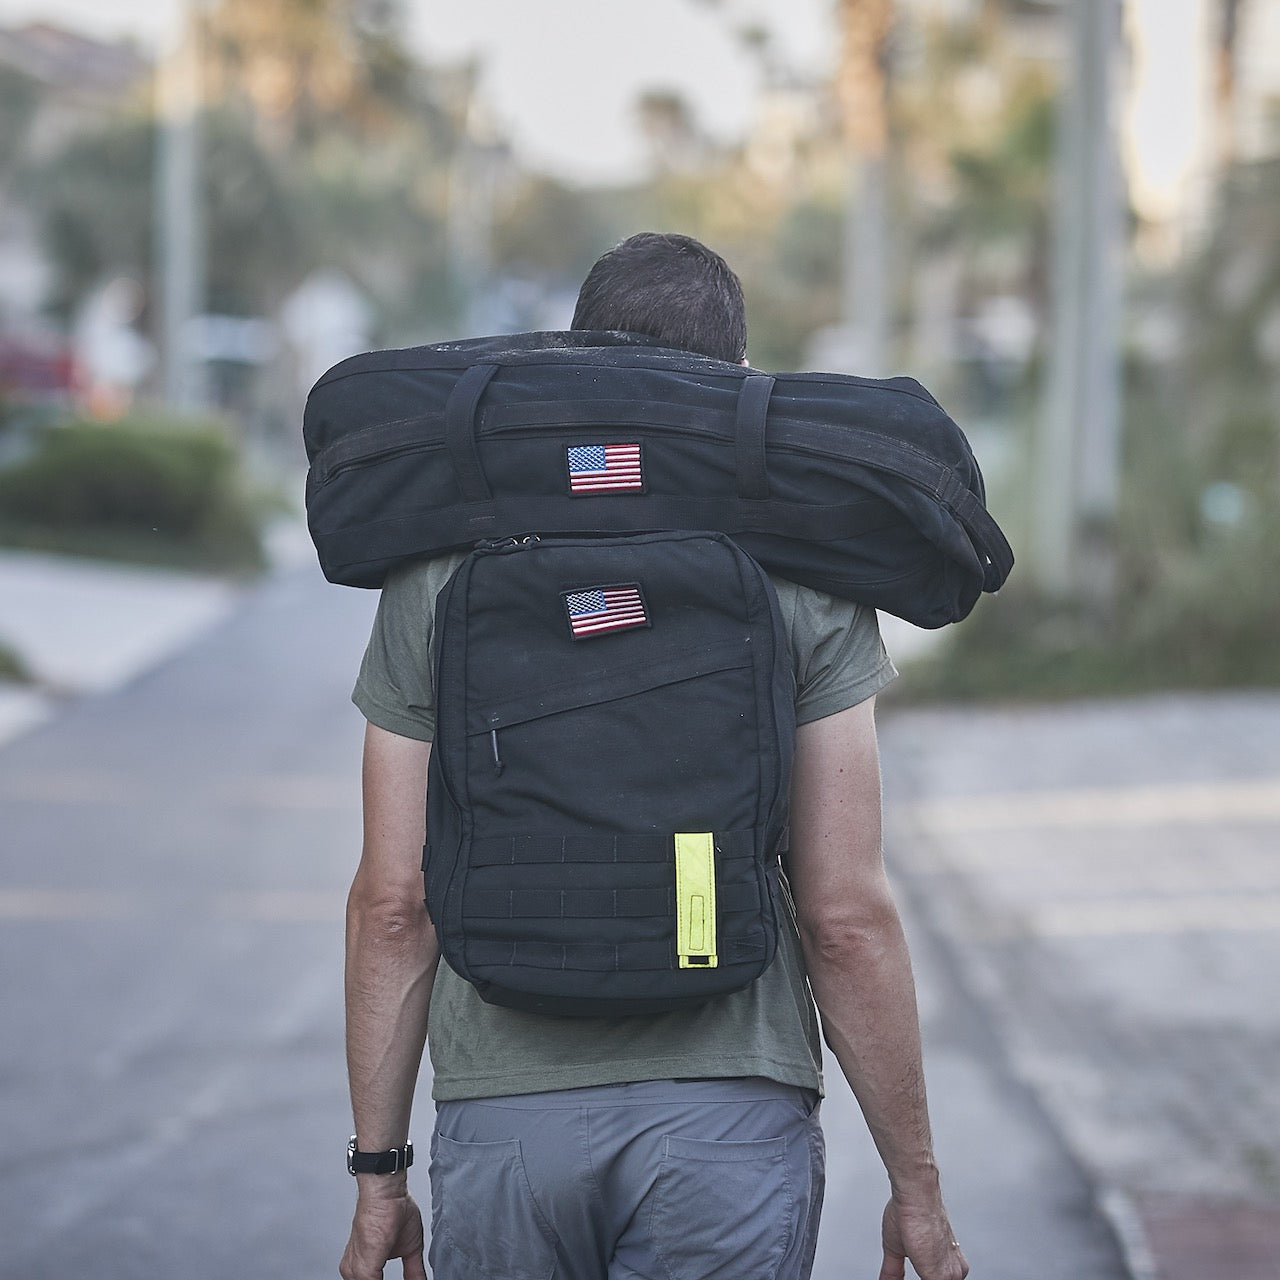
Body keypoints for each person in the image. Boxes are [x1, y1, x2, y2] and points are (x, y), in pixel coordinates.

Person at [339, 232, 968, 1280]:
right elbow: (844, 914)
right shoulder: (804, 578)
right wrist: (917, 1187)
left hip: (504, 1122)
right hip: (725, 1125)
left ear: (573, 359)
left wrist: (377, 1175)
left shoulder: (435, 575)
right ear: (729, 385)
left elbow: (392, 904)